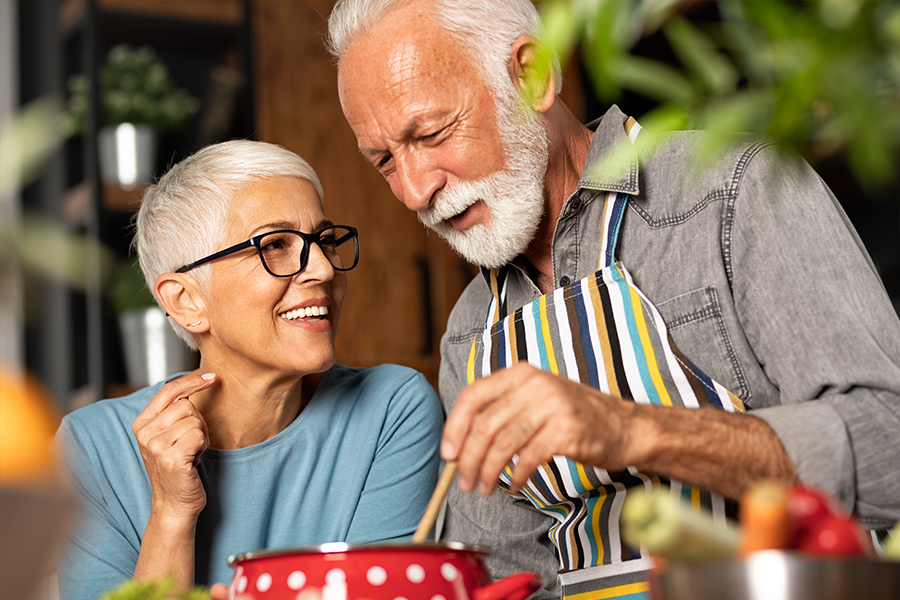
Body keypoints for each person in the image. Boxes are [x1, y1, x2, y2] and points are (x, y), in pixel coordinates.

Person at [327, 0, 900, 597]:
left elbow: (891, 444)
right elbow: (517, 582)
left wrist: (636, 431)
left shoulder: (735, 191)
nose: (417, 190)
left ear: (532, 77)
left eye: (433, 132)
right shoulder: (471, 336)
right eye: (385, 161)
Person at [55, 140, 444, 600]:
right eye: (275, 245)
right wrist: (172, 513)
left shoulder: (392, 409)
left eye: (324, 240)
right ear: (187, 301)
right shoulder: (90, 448)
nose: (322, 268)